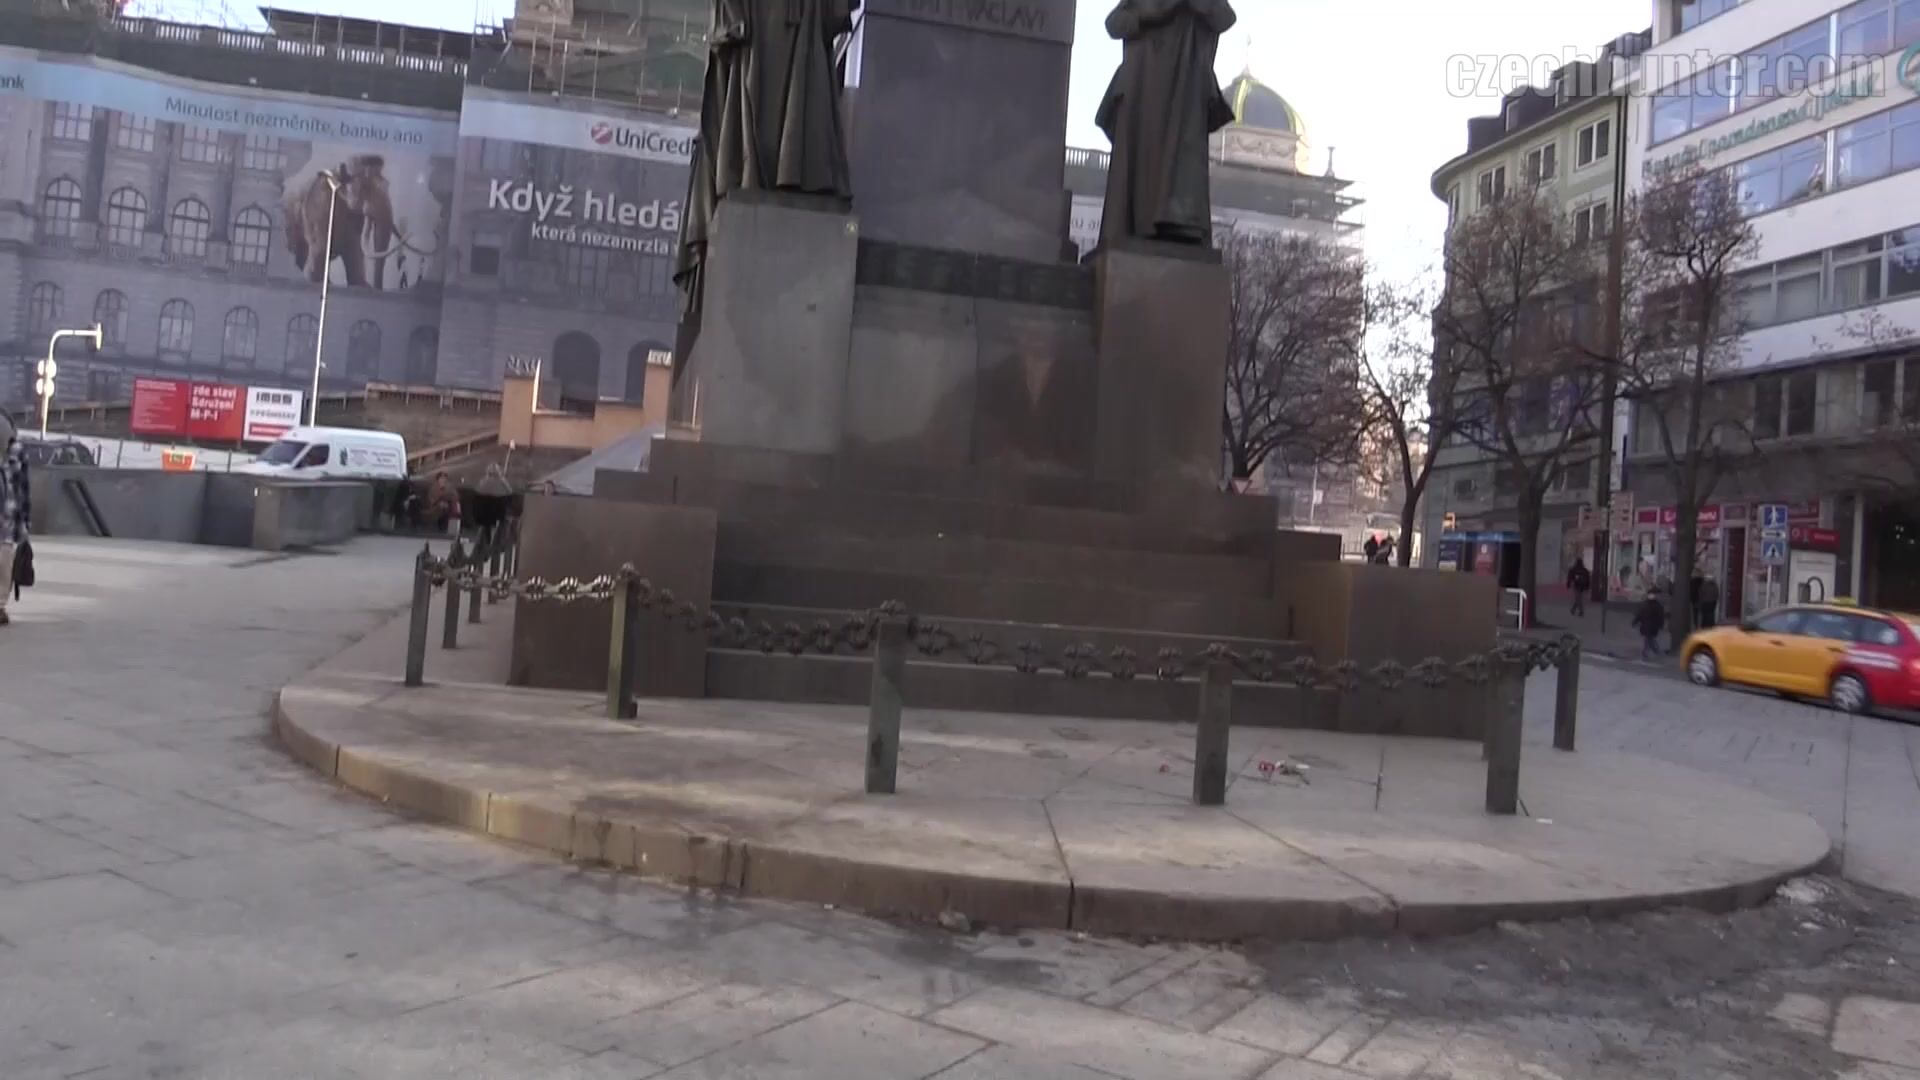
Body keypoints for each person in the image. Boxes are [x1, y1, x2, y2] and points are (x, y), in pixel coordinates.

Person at [0, 411, 29, 626]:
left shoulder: (17, 450)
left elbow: (23, 488)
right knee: (4, 562)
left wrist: (25, 521)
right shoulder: (17, 448)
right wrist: (25, 522)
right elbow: (23, 489)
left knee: (5, 560)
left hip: (7, 517)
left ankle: (0, 605)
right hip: (8, 518)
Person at [1632, 589, 1667, 662]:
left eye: (1653, 594)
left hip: (1653, 626)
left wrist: (1661, 625)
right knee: (1649, 639)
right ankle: (1655, 652)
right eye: (1650, 594)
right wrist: (1635, 621)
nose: (1651, 596)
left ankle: (1648, 653)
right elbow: (1640, 614)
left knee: (1649, 639)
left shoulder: (1657, 605)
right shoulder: (1645, 604)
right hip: (1646, 625)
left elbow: (1660, 616)